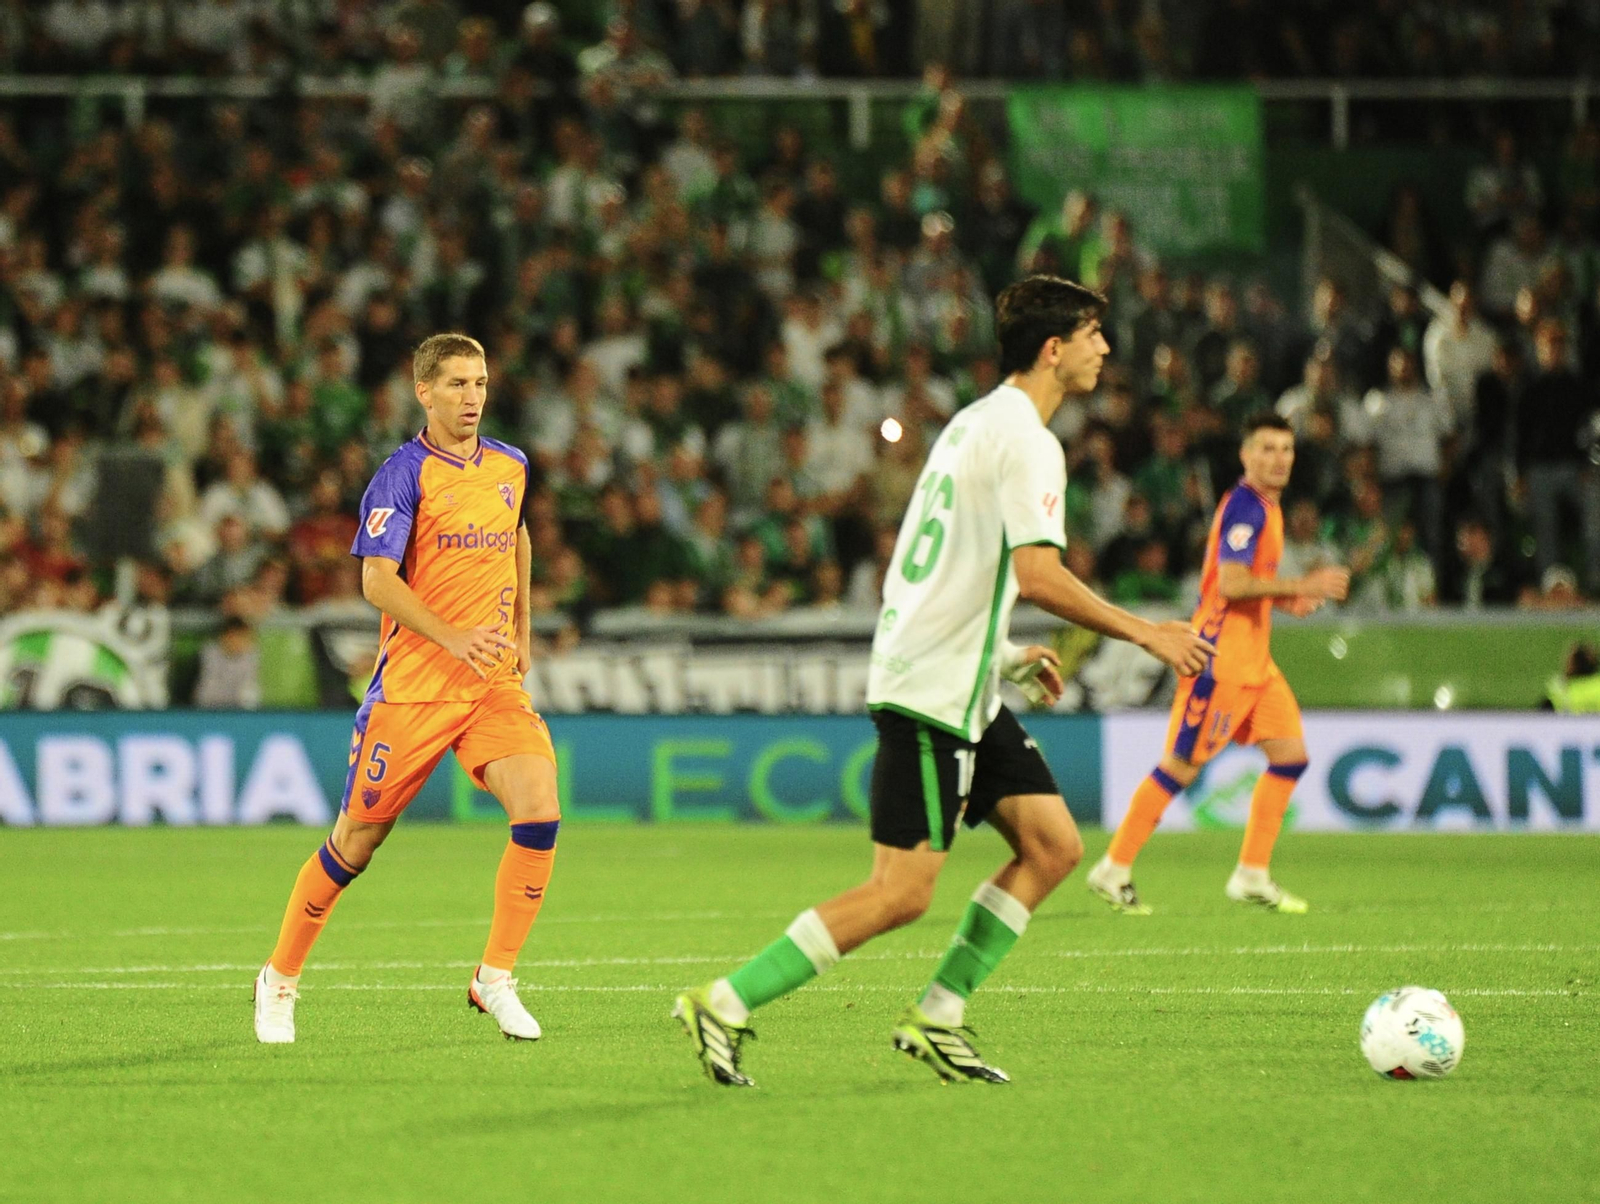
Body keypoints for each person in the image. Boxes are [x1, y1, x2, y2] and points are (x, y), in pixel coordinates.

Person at [671, 276, 1212, 1087]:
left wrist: (1001, 655)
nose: (1105, 348)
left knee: (1053, 846)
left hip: (959, 680)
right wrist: (1148, 632)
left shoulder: (972, 424)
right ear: (1053, 349)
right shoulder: (1029, 441)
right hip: (933, 692)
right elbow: (1037, 575)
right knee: (901, 892)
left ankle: (939, 1013)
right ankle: (725, 1000)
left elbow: (937, 567)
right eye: (1093, 333)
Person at [253, 334, 560, 1044]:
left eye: (480, 382)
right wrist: (451, 636)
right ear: (424, 392)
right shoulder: (402, 475)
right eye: (457, 384)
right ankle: (279, 978)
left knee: (540, 806)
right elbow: (376, 581)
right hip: (414, 690)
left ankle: (495, 978)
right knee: (355, 845)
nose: (472, 397)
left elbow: (516, 536)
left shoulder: (511, 464)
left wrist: (523, 627)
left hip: (490, 683)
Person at [1086, 412, 1350, 916]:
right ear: (1245, 455)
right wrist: (1300, 584)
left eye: (1286, 449)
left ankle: (1251, 874)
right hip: (1220, 662)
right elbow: (1230, 583)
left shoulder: (1267, 506)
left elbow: (1245, 585)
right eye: (1267, 448)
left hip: (1255, 662)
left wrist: (1285, 600)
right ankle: (1113, 868)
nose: (1278, 459)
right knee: (1180, 766)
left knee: (1290, 755)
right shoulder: (1247, 507)